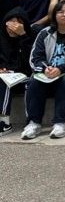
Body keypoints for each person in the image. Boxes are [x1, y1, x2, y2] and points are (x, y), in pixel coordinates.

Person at [21, 0, 65, 140]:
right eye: (60, 12)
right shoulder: (44, 32)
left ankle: (61, 123)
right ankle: (33, 123)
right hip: (46, 72)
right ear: (54, 15)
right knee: (33, 81)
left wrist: (61, 69)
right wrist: (45, 68)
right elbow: (35, 56)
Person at [0, 7, 34, 135]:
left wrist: (23, 36)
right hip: (6, 77)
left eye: (17, 23)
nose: (13, 27)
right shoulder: (2, 38)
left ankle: (31, 121)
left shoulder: (30, 35)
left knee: (32, 83)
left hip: (24, 76)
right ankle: (4, 122)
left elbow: (32, 61)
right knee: (2, 81)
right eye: (10, 23)